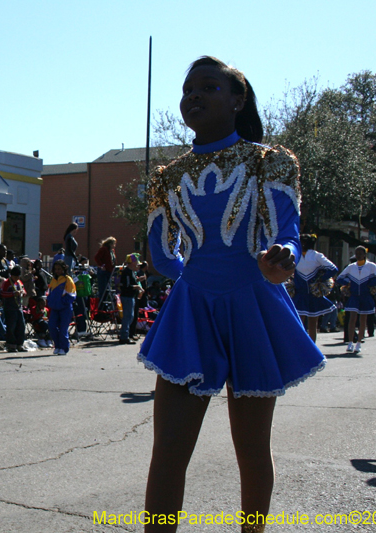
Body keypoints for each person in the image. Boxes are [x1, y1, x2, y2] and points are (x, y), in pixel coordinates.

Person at [138, 56, 326, 533]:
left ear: (238, 100)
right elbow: (161, 255)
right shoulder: (166, 176)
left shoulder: (270, 160)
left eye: (209, 87)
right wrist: (194, 279)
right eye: (187, 90)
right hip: (193, 312)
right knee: (167, 456)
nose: (194, 96)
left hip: (253, 307)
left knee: (251, 449)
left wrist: (276, 259)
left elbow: (288, 233)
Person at [336, 246, 376, 354]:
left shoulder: (371, 266)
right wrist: (348, 282)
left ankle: (358, 343)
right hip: (354, 296)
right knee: (352, 319)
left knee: (363, 320)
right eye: (356, 253)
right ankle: (350, 342)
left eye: (360, 253)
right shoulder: (351, 267)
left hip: (366, 296)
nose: (357, 255)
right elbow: (340, 278)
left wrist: (369, 283)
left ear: (364, 255)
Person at [290, 234, 338, 342]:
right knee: (310, 323)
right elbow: (333, 269)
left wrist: (320, 279)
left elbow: (333, 269)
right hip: (301, 294)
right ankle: (309, 349)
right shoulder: (309, 255)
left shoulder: (313, 256)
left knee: (305, 323)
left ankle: (306, 348)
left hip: (311, 294)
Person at [46, 260, 76, 355]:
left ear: (64, 269)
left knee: (63, 329)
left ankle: (64, 347)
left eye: (59, 269)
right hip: (54, 308)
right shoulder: (53, 280)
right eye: (56, 269)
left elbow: (72, 295)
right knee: (51, 327)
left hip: (65, 309)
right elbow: (49, 293)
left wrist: (63, 303)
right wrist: (50, 302)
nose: (57, 271)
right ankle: (57, 346)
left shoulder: (68, 279)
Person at [118, 253, 143, 344]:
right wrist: (137, 287)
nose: (137, 263)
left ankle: (125, 334)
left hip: (131, 296)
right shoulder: (127, 272)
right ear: (132, 262)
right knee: (128, 317)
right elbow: (127, 286)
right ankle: (124, 336)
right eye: (136, 261)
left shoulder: (131, 272)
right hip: (127, 296)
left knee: (130, 316)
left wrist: (138, 281)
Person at [0, 265, 26, 352]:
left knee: (21, 326)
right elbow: (3, 293)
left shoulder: (19, 282)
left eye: (18, 276)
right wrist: (13, 293)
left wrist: (23, 292)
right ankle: (11, 345)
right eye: (15, 276)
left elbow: (24, 290)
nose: (16, 278)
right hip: (9, 308)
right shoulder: (7, 282)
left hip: (19, 307)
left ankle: (20, 344)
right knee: (11, 327)